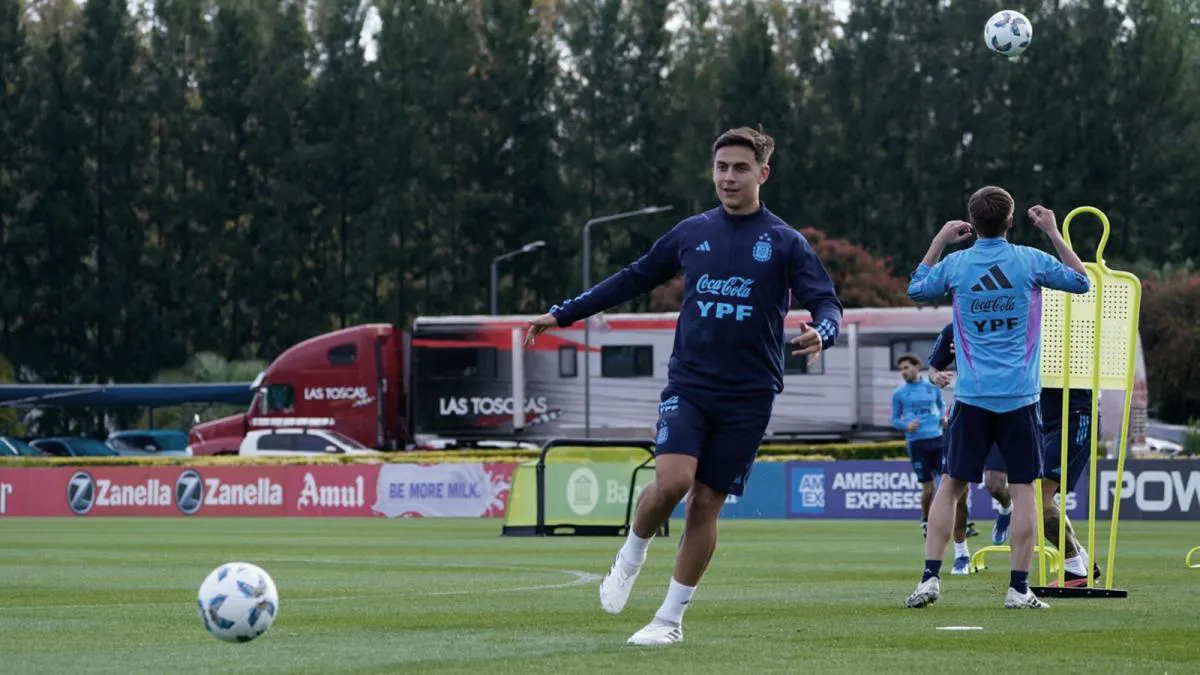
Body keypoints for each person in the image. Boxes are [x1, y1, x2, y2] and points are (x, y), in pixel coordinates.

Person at [525, 127, 844, 644]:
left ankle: (668, 620)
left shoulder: (785, 242)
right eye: (721, 168)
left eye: (740, 168)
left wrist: (822, 333)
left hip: (750, 394)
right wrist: (564, 313)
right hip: (690, 384)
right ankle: (630, 555)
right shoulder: (692, 231)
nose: (728, 177)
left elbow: (828, 302)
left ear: (762, 174)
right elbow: (631, 278)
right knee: (672, 482)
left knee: (705, 504)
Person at [903, 186, 1090, 609]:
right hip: (1020, 397)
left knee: (950, 486)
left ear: (971, 223)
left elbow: (916, 288)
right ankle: (1017, 588)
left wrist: (939, 239)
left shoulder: (958, 263)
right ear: (1010, 220)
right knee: (1025, 490)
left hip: (971, 396)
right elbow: (1082, 282)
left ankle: (930, 579)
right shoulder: (1028, 259)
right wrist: (1053, 232)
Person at [929, 322, 1102, 586]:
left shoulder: (1064, 319)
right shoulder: (1008, 316)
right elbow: (941, 363)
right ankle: (1079, 562)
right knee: (1032, 496)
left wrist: (974, 346)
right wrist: (966, 350)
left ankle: (1076, 567)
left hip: (1075, 415)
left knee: (1037, 500)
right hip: (1036, 416)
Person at [929, 325, 1014, 546]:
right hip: (967, 411)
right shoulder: (953, 329)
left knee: (995, 484)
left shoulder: (1007, 321)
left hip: (1006, 410)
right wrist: (937, 376)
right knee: (956, 485)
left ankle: (1006, 508)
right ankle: (960, 554)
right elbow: (932, 370)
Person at [891, 353, 972, 573]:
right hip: (916, 443)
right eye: (901, 369)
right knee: (929, 488)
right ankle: (926, 519)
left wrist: (943, 420)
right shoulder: (899, 393)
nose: (904, 372)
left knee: (953, 485)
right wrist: (905, 425)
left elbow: (940, 408)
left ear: (917, 367)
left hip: (937, 440)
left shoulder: (933, 388)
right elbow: (895, 419)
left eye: (907, 367)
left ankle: (959, 533)